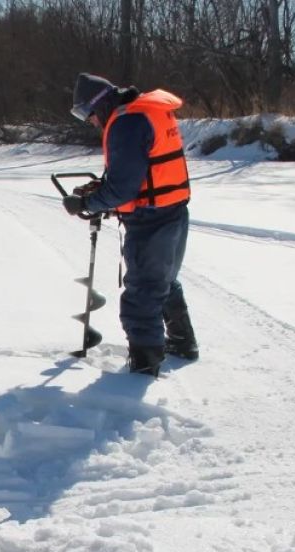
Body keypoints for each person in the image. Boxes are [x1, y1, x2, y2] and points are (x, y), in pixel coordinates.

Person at [62, 72, 199, 376]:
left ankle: (143, 368)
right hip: (174, 211)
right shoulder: (146, 112)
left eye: (89, 114)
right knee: (164, 282)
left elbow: (123, 189)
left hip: (151, 221)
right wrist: (103, 190)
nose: (92, 122)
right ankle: (182, 343)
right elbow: (143, 172)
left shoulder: (125, 123)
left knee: (142, 295)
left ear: (101, 103)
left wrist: (85, 203)